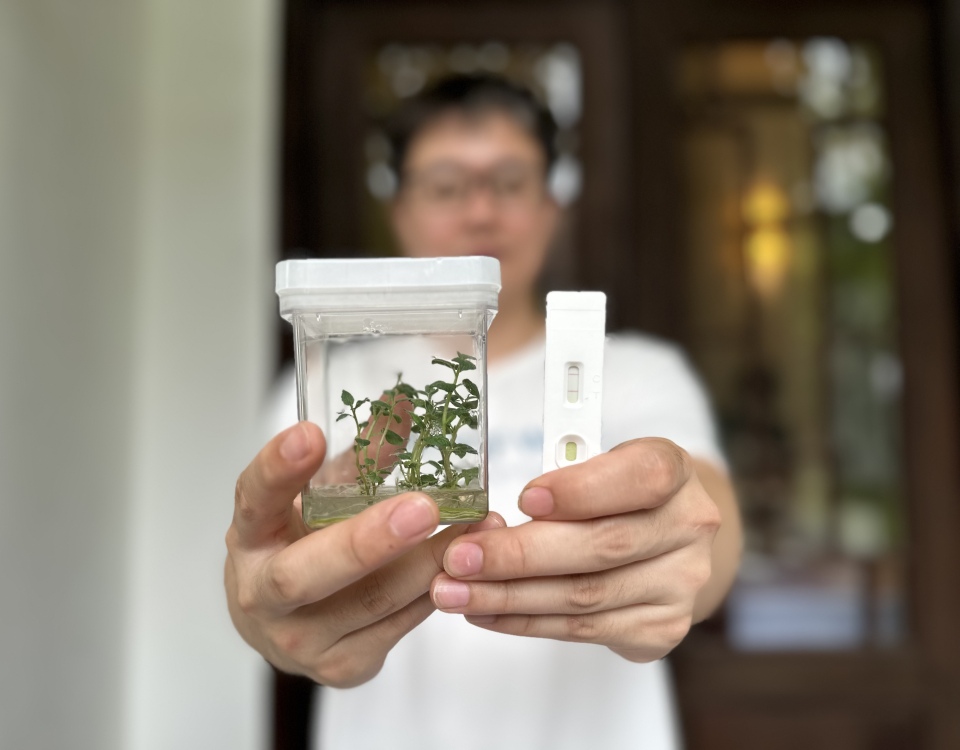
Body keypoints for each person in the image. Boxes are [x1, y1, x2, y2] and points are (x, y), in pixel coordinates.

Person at [225, 74, 743, 749]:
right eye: (445, 187)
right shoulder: (331, 376)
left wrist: (684, 561)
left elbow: (711, 534)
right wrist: (270, 614)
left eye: (509, 183)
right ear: (401, 211)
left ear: (551, 208)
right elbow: (260, 565)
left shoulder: (635, 373)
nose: (480, 212)